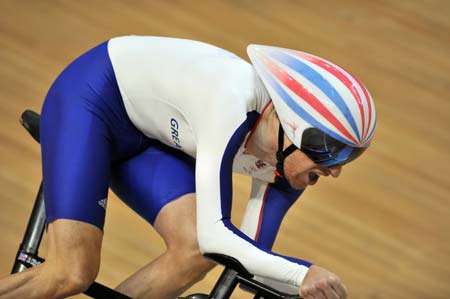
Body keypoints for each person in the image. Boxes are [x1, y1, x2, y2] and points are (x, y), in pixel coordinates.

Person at [0, 36, 376, 299]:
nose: (336, 170)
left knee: (195, 251)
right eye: (332, 152)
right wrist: (302, 272)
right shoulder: (231, 102)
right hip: (92, 100)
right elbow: (219, 236)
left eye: (349, 156)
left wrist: (306, 286)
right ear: (294, 127)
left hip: (147, 138)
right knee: (72, 271)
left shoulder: (286, 169)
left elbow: (246, 266)